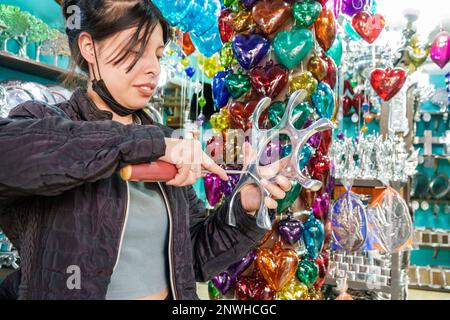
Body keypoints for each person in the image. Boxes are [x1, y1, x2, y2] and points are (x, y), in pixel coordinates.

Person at [0, 0, 292, 300]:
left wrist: (243, 207)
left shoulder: (166, 140)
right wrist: (149, 145)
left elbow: (190, 258)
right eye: (135, 50)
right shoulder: (43, 122)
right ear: (90, 47)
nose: (153, 68)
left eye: (157, 55)